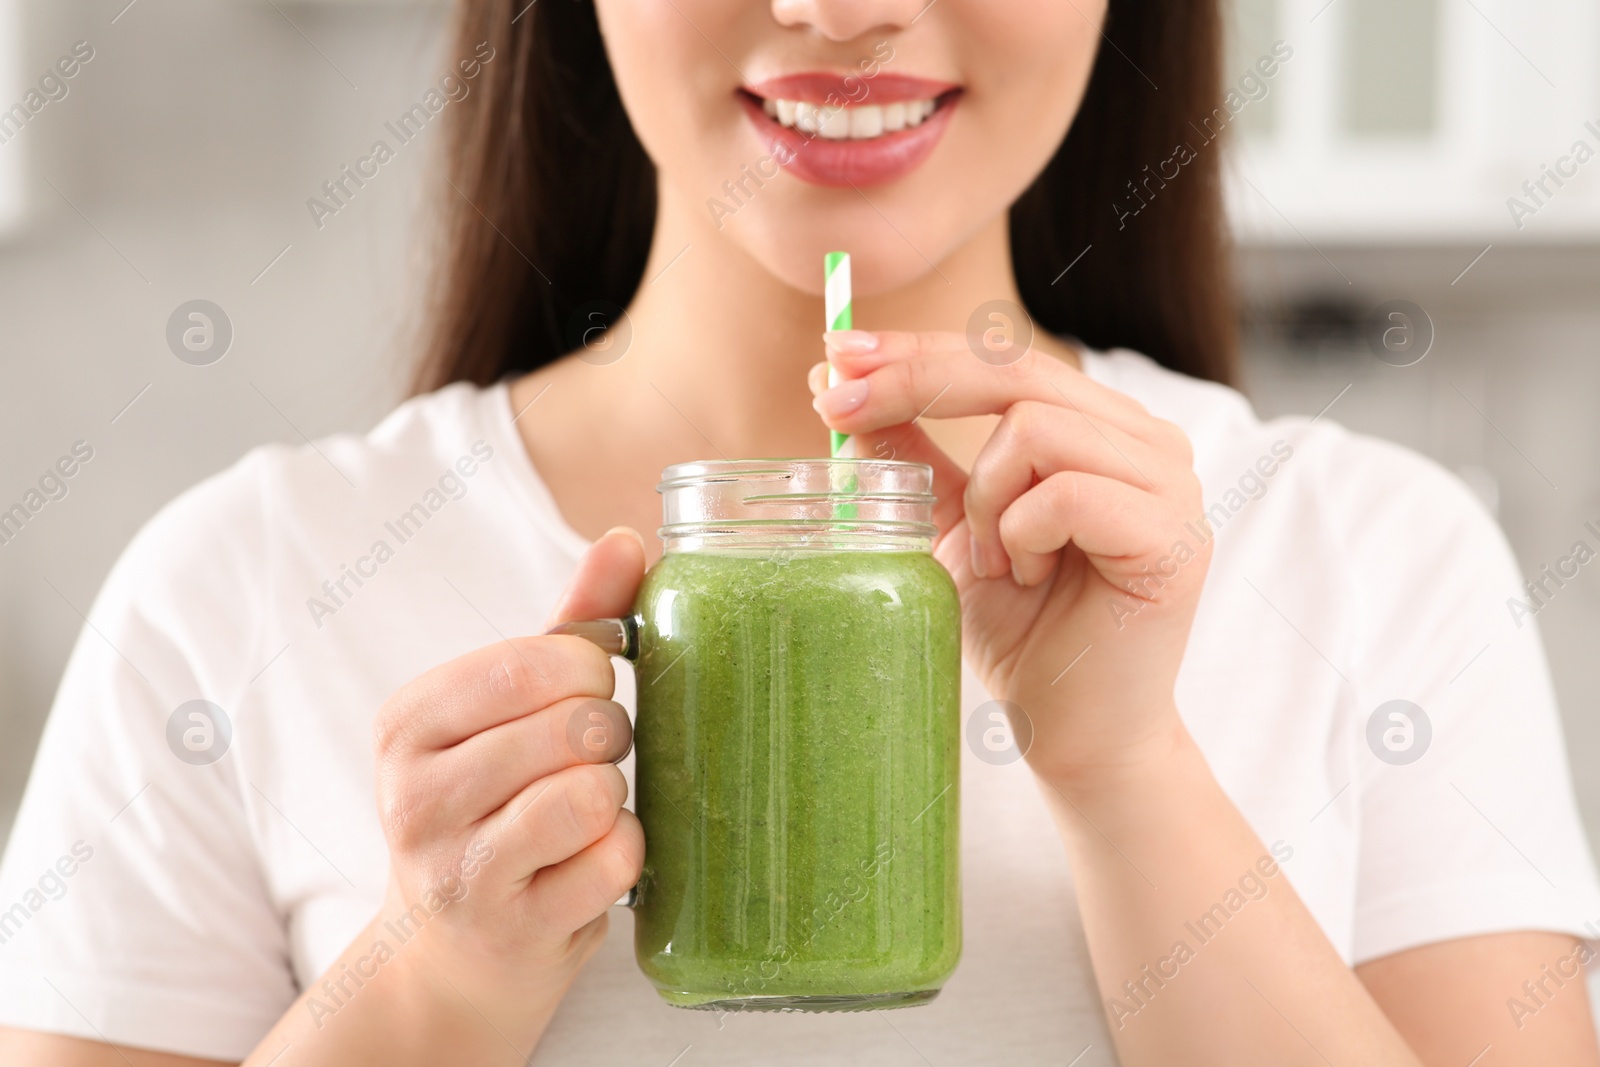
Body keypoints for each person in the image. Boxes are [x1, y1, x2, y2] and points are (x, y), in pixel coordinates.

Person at [2, 1, 1597, 1064]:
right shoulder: (240, 587)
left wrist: (1127, 771)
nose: (840, 1)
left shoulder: (1381, 560)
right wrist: (436, 978)